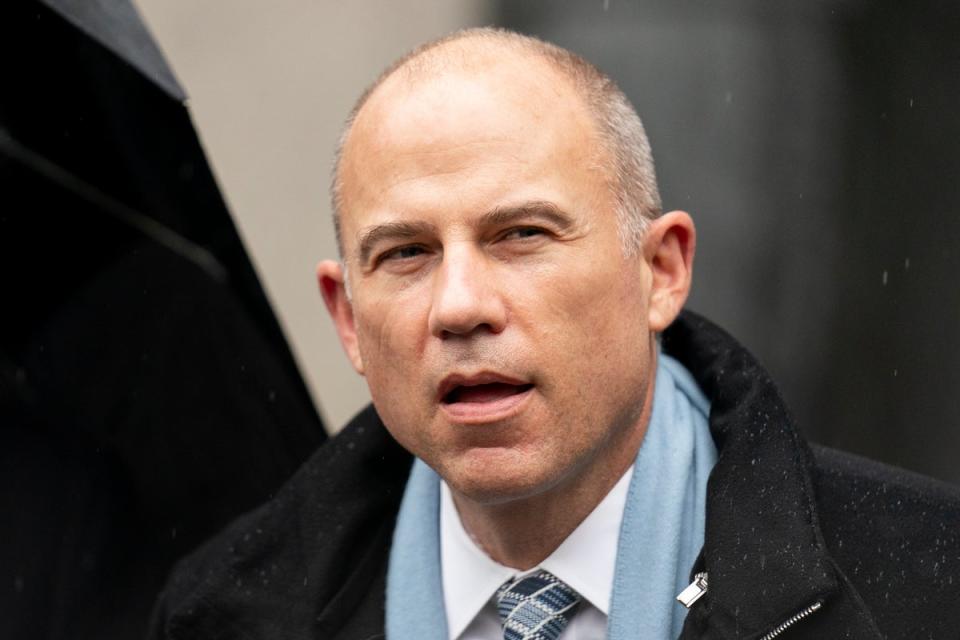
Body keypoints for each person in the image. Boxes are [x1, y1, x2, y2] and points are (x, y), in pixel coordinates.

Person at [148, 28, 960, 640]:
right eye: (406, 253)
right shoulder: (220, 613)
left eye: (522, 235)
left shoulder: (928, 578)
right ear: (349, 320)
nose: (460, 306)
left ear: (661, 269)